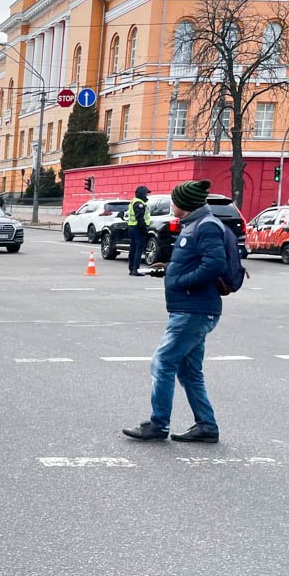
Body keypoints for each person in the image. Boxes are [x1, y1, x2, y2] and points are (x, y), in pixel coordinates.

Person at [123, 180, 226, 444]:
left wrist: (180, 280)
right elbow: (196, 261)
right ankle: (207, 426)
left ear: (185, 204)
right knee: (189, 371)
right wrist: (170, 269)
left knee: (163, 362)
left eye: (174, 200)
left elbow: (214, 265)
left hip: (194, 309)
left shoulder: (206, 226)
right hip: (191, 307)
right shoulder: (195, 225)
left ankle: (158, 424)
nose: (171, 204)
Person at [127, 185, 151, 277]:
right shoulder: (139, 204)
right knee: (138, 249)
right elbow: (140, 217)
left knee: (133, 248)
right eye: (145, 194)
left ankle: (131, 269)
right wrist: (145, 229)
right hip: (137, 228)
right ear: (141, 194)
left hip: (132, 227)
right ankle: (135, 270)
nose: (146, 196)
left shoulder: (133, 201)